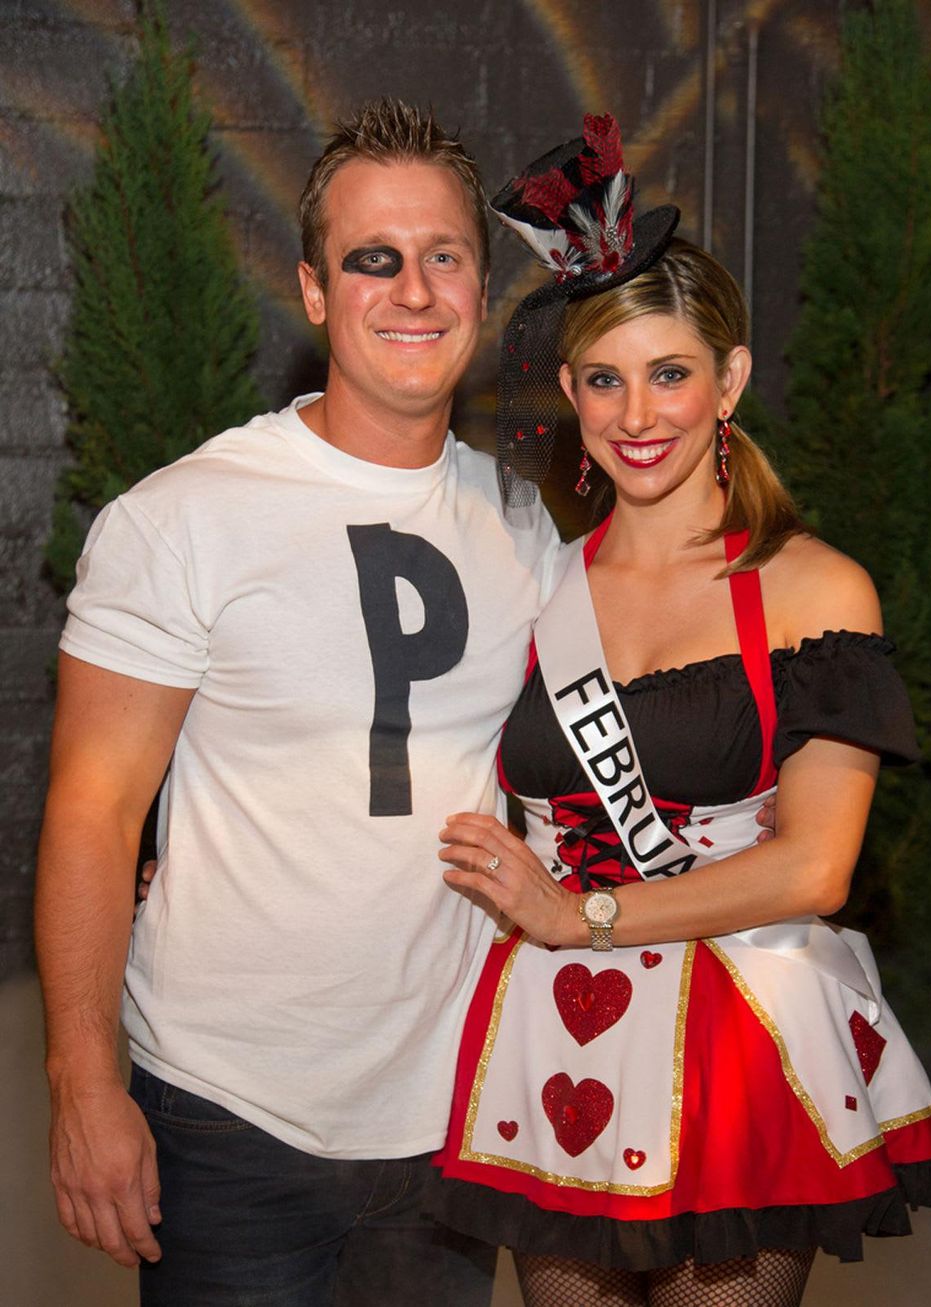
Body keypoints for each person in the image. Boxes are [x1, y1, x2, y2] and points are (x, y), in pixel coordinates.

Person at [430, 116, 931, 1307]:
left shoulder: (814, 589)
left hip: (737, 1036)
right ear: (569, 391)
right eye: (605, 379)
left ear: (727, 379)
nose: (637, 414)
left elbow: (815, 866)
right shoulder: (531, 580)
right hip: (552, 1031)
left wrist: (581, 913)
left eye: (669, 372)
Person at [34, 98, 564, 1306]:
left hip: (452, 1112)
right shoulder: (183, 516)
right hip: (229, 1112)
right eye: (373, 258)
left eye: (443, 257)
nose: (413, 290)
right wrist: (83, 1083)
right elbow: (93, 809)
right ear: (315, 292)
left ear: (483, 291)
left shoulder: (522, 522)